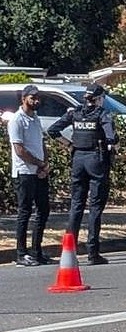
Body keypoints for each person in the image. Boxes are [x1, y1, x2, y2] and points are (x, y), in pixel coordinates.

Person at [47, 83, 118, 265]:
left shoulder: (75, 112)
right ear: (100, 99)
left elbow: (53, 130)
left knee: (76, 205)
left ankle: (69, 250)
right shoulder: (102, 114)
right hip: (96, 159)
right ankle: (93, 252)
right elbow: (111, 137)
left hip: (78, 158)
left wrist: (69, 144)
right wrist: (112, 144)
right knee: (95, 207)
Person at [7, 85, 54, 266]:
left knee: (43, 209)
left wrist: (45, 164)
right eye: (32, 98)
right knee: (24, 212)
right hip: (24, 172)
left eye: (38, 98)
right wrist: (39, 163)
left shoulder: (35, 119)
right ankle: (21, 253)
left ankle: (36, 251)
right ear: (24, 98)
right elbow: (19, 150)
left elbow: (41, 143)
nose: (36, 101)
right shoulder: (17, 120)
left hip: (39, 172)